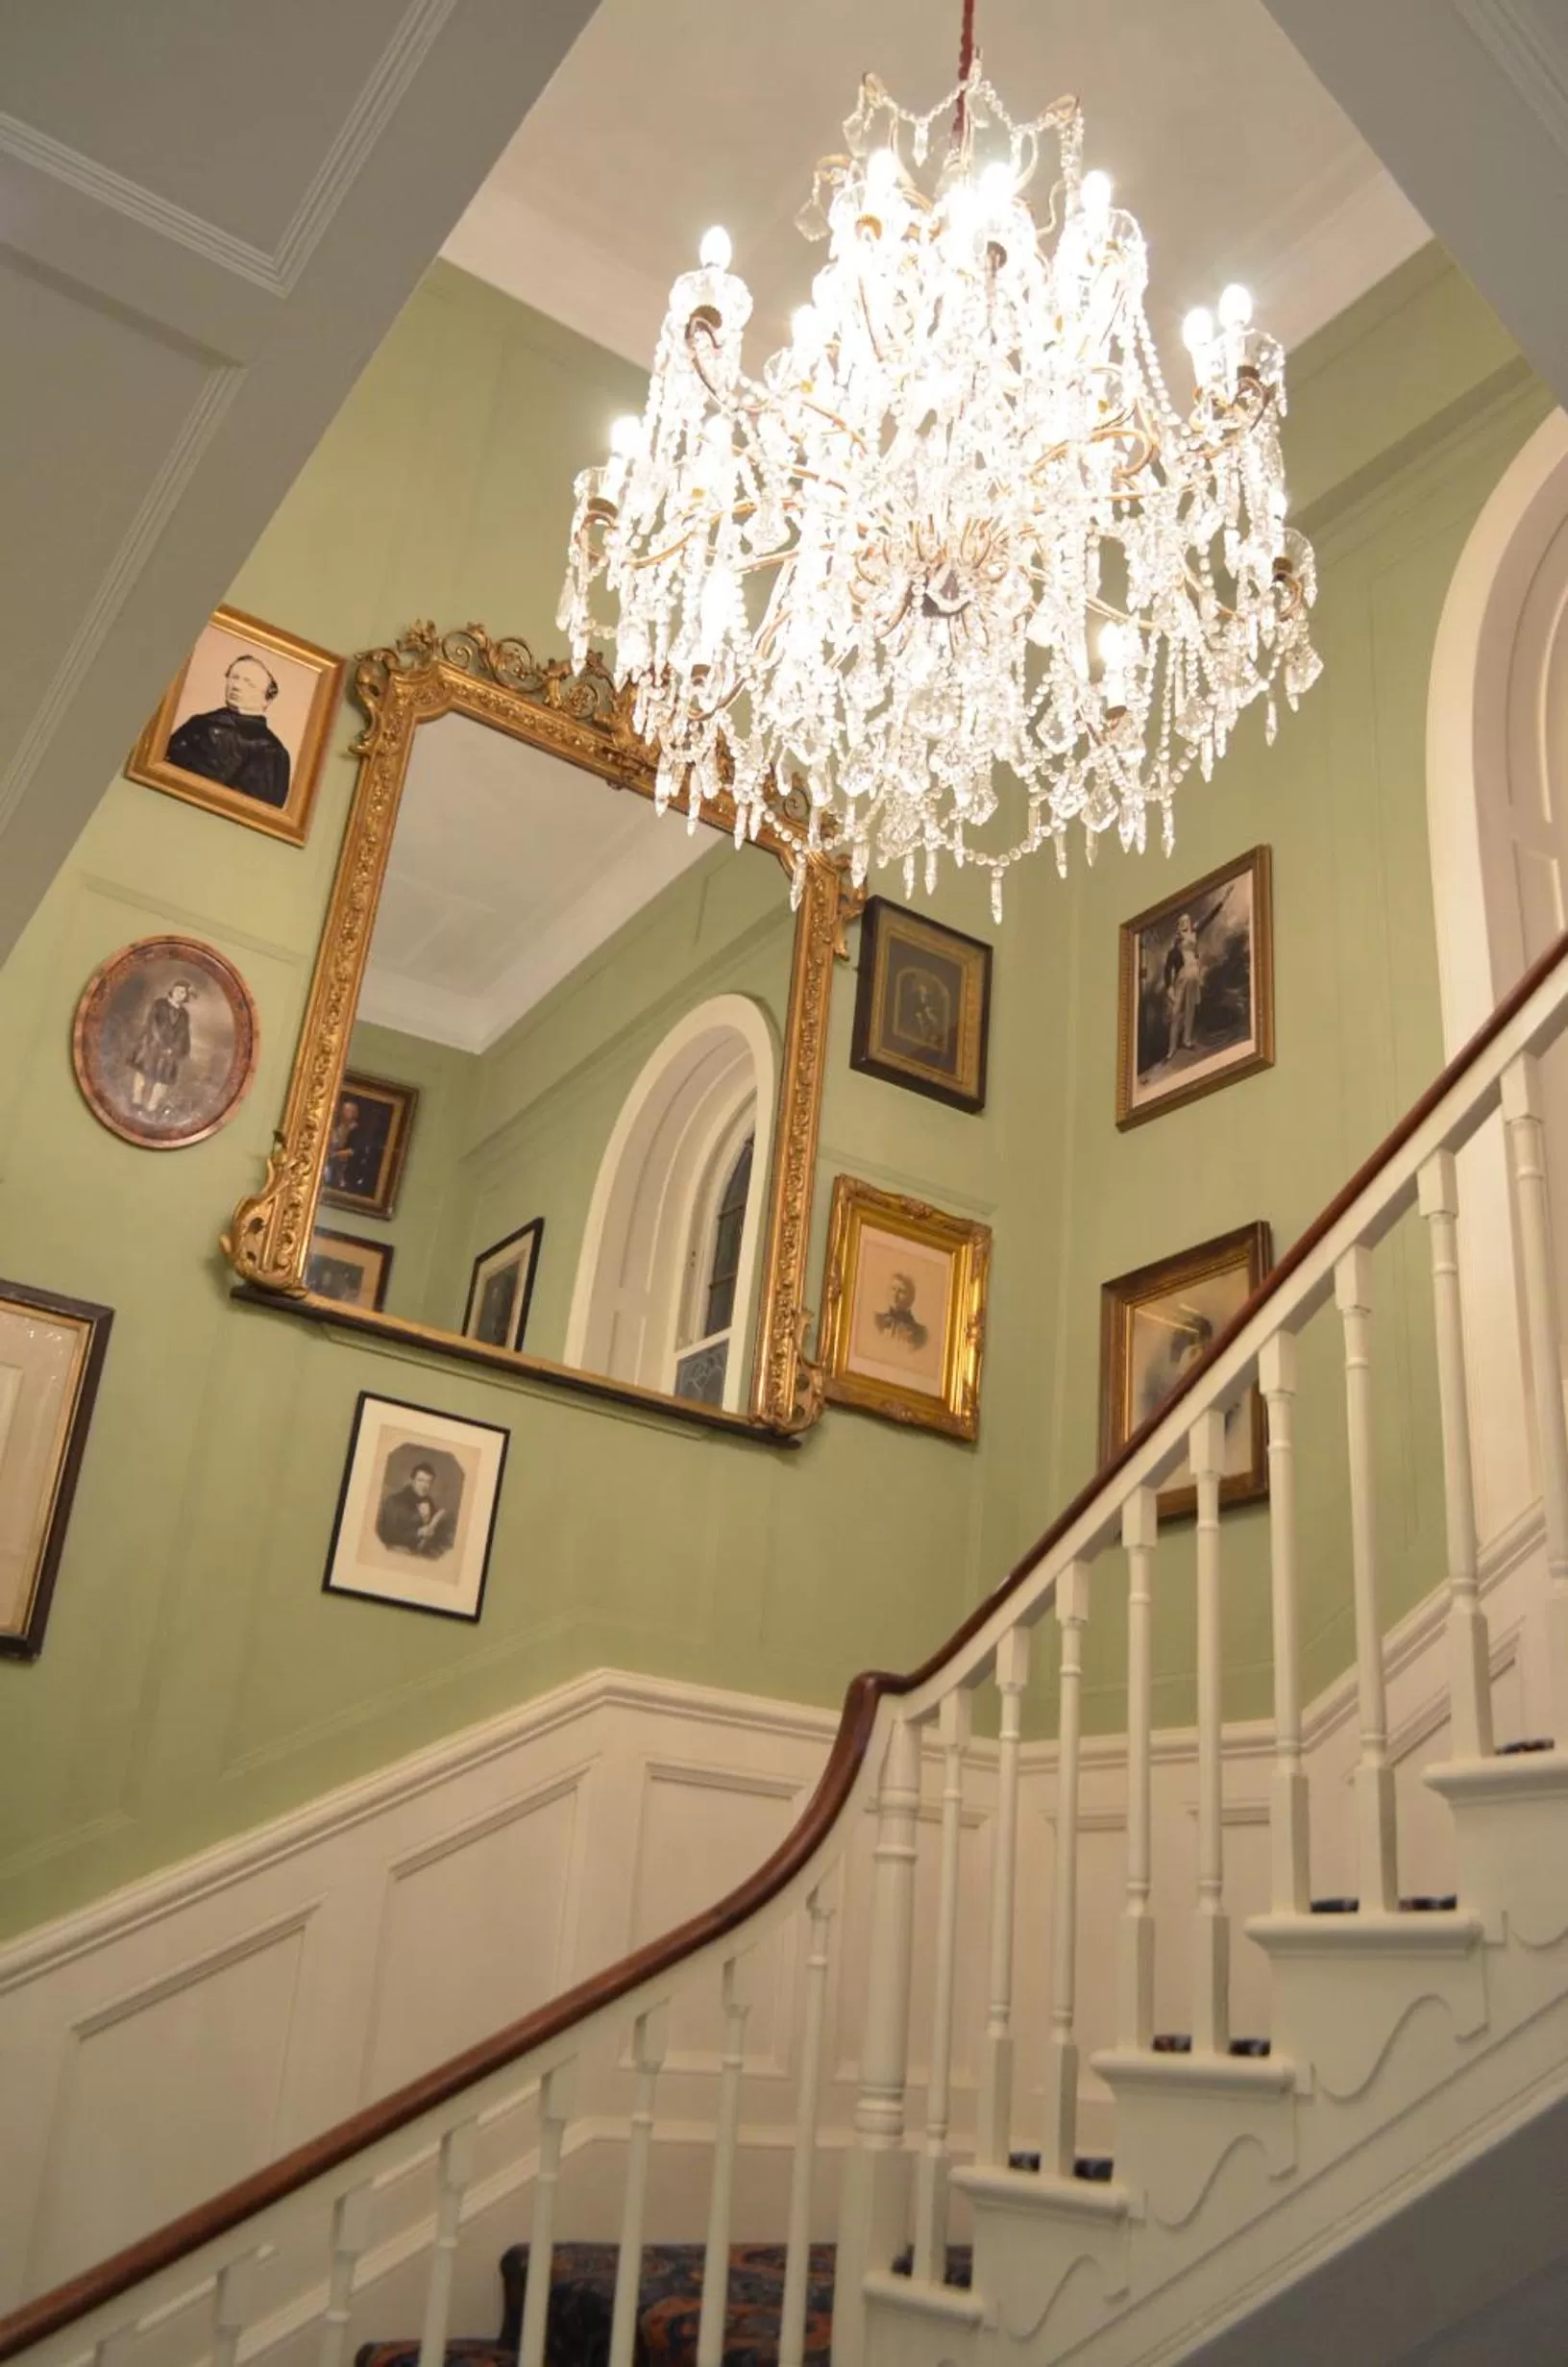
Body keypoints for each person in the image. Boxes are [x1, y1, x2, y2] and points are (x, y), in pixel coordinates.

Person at [166, 653, 292, 808]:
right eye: (234, 677)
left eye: (249, 683)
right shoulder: (199, 722)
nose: (236, 686)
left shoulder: (270, 749)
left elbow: (253, 811)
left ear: (267, 697)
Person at [128, 977, 195, 1115]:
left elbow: (183, 1034)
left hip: (170, 1052)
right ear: (172, 990)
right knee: (142, 1071)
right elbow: (152, 1025)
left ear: (186, 997)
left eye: (183, 993)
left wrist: (176, 1049)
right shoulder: (159, 1004)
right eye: (177, 990)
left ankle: (151, 1108)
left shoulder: (184, 1014)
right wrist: (162, 1044)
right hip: (151, 1045)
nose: (179, 994)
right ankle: (136, 1101)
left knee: (164, 1078)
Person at [376, 1462, 453, 1558]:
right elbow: (388, 1533)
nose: (425, 1485)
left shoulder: (429, 1501)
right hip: (396, 1551)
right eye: (420, 1480)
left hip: (421, 1552)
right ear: (412, 1481)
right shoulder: (396, 1501)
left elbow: (432, 1530)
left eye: (428, 1482)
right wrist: (418, 1532)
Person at [1164, 912, 1204, 1060]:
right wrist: (1169, 986)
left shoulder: (1193, 934)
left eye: (1188, 921)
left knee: (1190, 1008)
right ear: (1180, 924)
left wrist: (1223, 900)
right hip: (1183, 975)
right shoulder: (1177, 939)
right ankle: (1171, 1048)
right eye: (1183, 921)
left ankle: (1186, 1040)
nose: (1186, 923)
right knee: (1176, 1012)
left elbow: (1208, 918)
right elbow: (1169, 965)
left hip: (1193, 974)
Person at [874, 1270, 929, 1354]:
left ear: (911, 1298)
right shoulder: (877, 1321)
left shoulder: (920, 1333)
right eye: (893, 1289)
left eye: (901, 1291)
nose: (895, 1295)